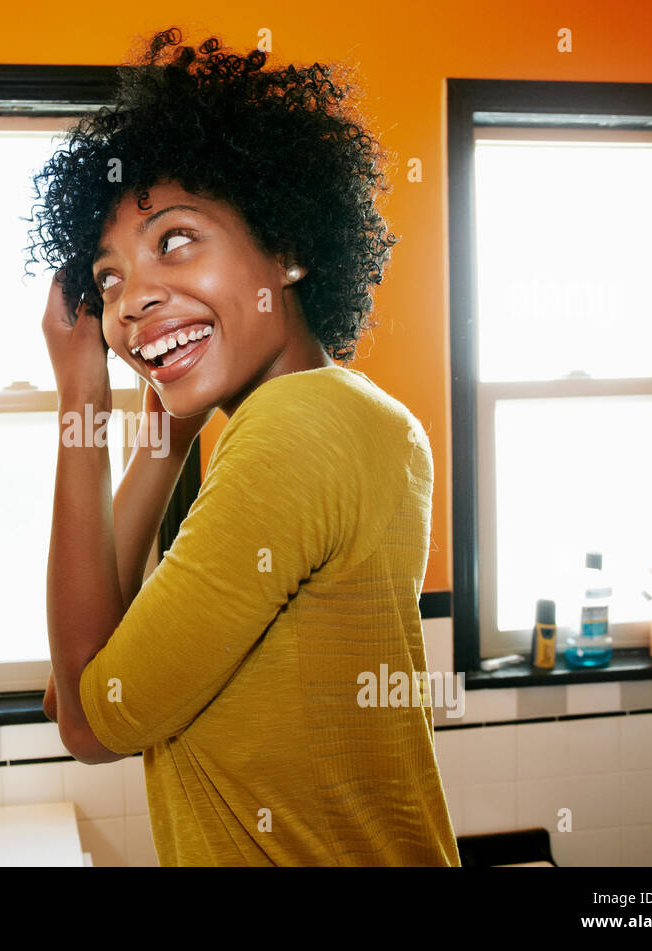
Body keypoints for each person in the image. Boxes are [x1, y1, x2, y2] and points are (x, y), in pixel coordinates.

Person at [27, 25, 459, 866]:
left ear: (288, 246)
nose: (131, 303)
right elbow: (74, 680)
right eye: (108, 277)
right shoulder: (348, 417)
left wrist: (82, 397)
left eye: (176, 240)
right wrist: (168, 430)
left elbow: (86, 722)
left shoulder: (299, 432)